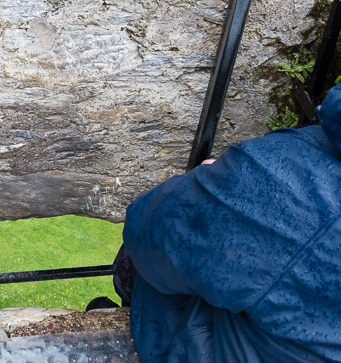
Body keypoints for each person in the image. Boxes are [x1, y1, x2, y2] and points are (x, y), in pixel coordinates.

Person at [114, 81, 341, 362]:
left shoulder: (290, 179)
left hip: (204, 347)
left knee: (144, 257)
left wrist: (212, 196)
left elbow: (144, 230)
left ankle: (119, 314)